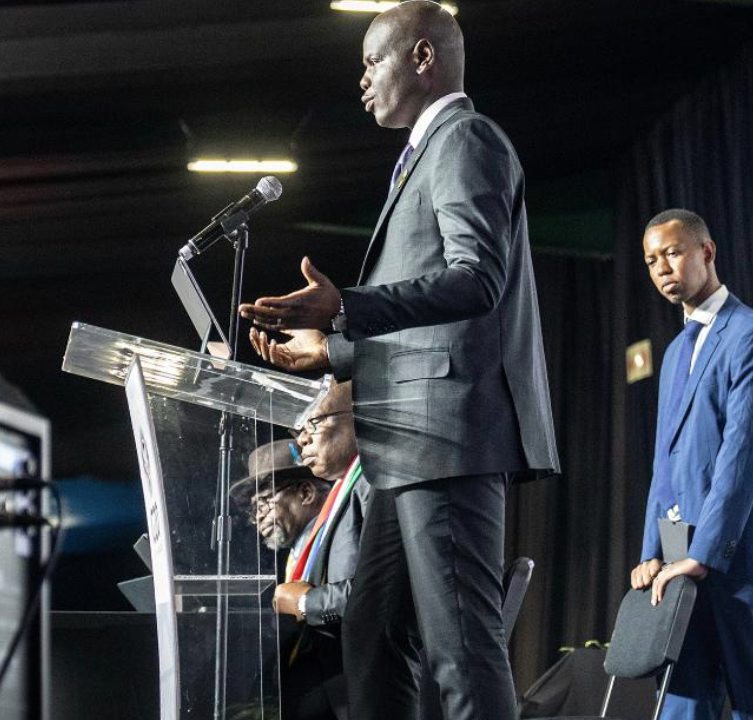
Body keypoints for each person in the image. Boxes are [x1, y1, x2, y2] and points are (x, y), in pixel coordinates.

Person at [238, 2, 559, 718]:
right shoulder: (424, 154)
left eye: (371, 62)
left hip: (444, 436)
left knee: (461, 647)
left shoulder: (464, 139)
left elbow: (478, 279)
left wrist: (346, 307)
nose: (361, 82)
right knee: (373, 635)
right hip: (405, 443)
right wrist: (334, 348)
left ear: (422, 57)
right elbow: (426, 321)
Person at [634, 209, 753, 720]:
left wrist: (704, 553)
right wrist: (657, 553)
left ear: (706, 252)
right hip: (680, 559)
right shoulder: (672, 355)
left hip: (743, 557)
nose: (662, 268)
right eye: (651, 261)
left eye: (672, 252)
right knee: (681, 708)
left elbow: (743, 460)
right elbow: (666, 467)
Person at [234, 383, 371, 720]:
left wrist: (305, 604)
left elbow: (380, 589)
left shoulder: (358, 500)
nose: (258, 519)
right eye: (253, 511)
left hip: (354, 688)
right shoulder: (300, 552)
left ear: (307, 493)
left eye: (265, 502)